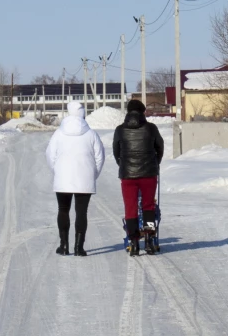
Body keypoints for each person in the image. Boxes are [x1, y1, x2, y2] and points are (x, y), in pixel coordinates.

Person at [46, 101, 105, 256]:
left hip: (63, 179)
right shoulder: (91, 133)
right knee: (81, 212)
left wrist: (57, 171)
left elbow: (50, 156)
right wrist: (93, 174)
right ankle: (79, 248)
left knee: (63, 210)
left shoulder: (58, 133)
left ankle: (64, 246)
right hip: (84, 178)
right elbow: (100, 157)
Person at [113, 99, 164, 256]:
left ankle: (134, 242)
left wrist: (123, 165)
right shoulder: (151, 128)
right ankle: (149, 239)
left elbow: (116, 151)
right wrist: (155, 163)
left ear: (128, 112)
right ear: (143, 112)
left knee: (131, 208)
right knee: (148, 207)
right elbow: (160, 147)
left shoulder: (120, 130)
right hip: (149, 174)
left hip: (128, 176)